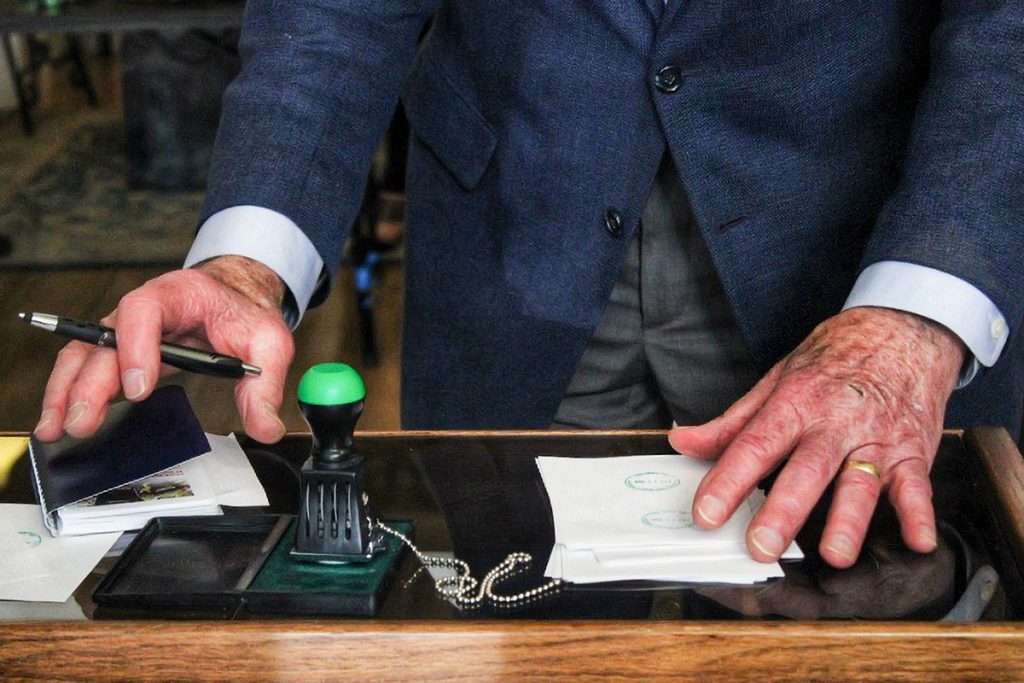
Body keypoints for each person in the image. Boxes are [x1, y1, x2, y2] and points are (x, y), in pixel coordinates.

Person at [34, 3, 1024, 571]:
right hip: (511, 229)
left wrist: (918, 309)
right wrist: (244, 261)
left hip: (862, 248)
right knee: (506, 607)